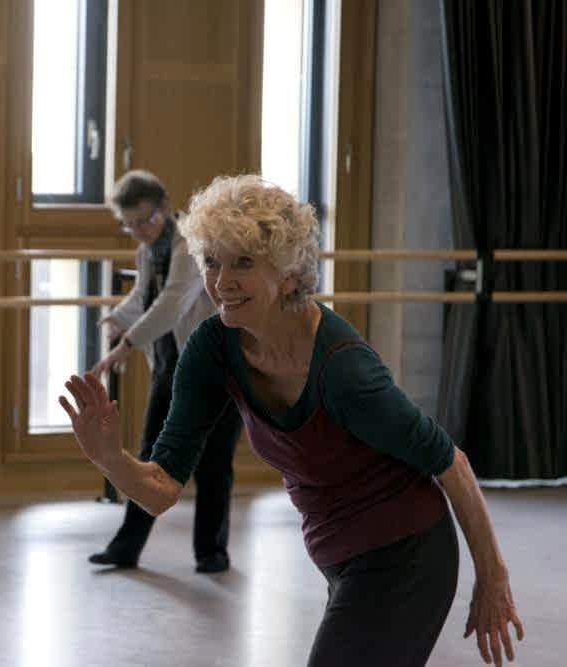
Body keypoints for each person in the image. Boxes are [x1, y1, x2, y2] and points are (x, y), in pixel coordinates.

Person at [61, 175, 524, 666]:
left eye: (243, 263)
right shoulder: (211, 348)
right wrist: (111, 459)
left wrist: (492, 579)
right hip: (339, 556)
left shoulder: (343, 368)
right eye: (212, 262)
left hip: (405, 552)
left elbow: (450, 461)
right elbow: (162, 489)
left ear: (287, 272)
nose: (221, 282)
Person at [88, 170, 242, 573]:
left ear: (163, 209)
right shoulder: (148, 249)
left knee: (214, 462)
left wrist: (127, 344)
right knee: (151, 457)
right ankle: (126, 547)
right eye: (130, 224)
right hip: (170, 366)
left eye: (145, 220)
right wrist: (119, 319)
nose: (138, 230)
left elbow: (173, 301)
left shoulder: (190, 243)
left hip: (216, 365)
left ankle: (212, 552)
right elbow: (143, 295)